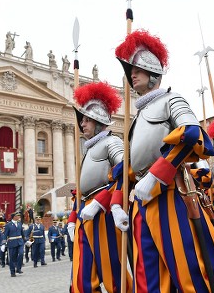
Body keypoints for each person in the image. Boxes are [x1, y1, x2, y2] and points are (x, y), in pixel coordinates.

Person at [115, 30, 214, 293]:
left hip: (170, 193)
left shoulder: (171, 99)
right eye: (130, 71)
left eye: (137, 69)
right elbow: (128, 165)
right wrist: (118, 203)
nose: (132, 75)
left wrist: (155, 174)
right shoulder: (136, 118)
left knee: (188, 270)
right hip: (140, 202)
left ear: (153, 73)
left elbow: (190, 133)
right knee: (148, 279)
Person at [67, 81, 132, 293]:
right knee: (81, 276)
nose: (82, 125)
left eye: (87, 120)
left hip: (103, 215)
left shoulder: (111, 143)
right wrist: (71, 218)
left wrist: (101, 203)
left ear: (99, 122)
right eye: (82, 120)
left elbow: (126, 173)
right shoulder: (89, 149)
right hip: (84, 216)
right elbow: (82, 189)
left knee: (113, 274)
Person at [4, 211, 25, 277]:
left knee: (21, 253)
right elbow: (5, 235)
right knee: (12, 258)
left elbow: (22, 233)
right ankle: (12, 272)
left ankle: (18, 268)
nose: (19, 217)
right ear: (14, 217)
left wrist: (25, 240)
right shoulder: (8, 225)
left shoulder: (19, 223)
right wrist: (3, 243)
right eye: (18, 216)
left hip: (20, 241)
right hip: (12, 242)